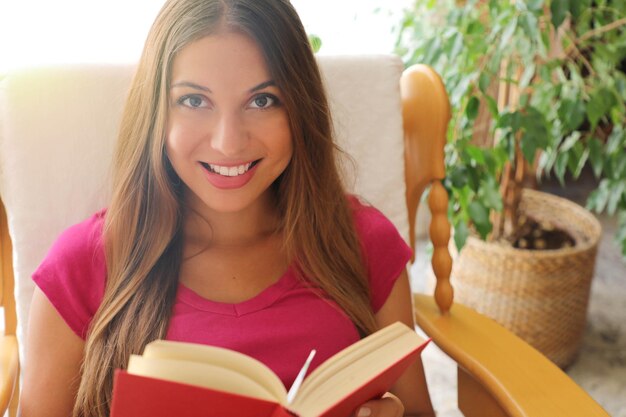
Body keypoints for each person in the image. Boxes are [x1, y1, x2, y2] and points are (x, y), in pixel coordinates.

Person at [19, 1, 436, 416]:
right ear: (155, 113)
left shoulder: (363, 243)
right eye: (194, 101)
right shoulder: (80, 266)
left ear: (300, 108)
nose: (228, 142)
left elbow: (417, 412)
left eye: (262, 101)